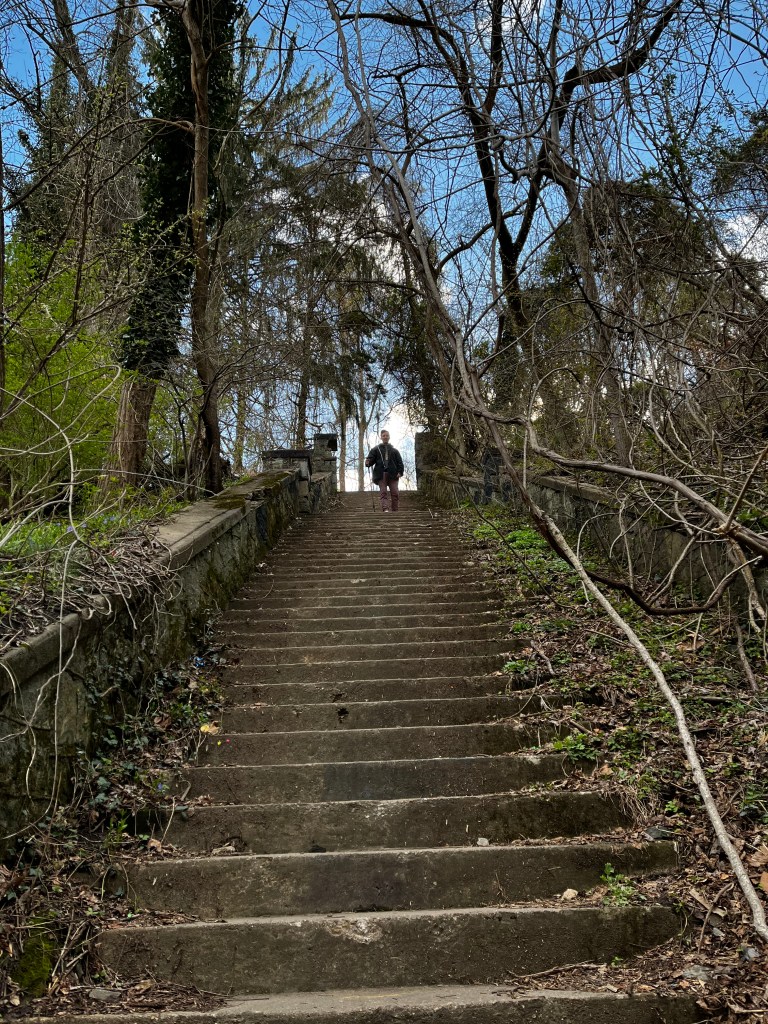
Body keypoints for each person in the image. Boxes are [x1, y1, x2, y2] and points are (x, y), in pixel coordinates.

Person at [365, 429, 404, 511]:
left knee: (395, 493)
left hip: (393, 474)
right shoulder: (376, 449)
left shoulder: (395, 451)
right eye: (384, 436)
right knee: (383, 493)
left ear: (389, 437)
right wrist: (368, 462)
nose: (385, 437)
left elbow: (400, 462)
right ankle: (385, 508)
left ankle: (395, 510)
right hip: (381, 474)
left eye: (387, 435)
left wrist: (400, 472)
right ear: (381, 437)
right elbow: (370, 460)